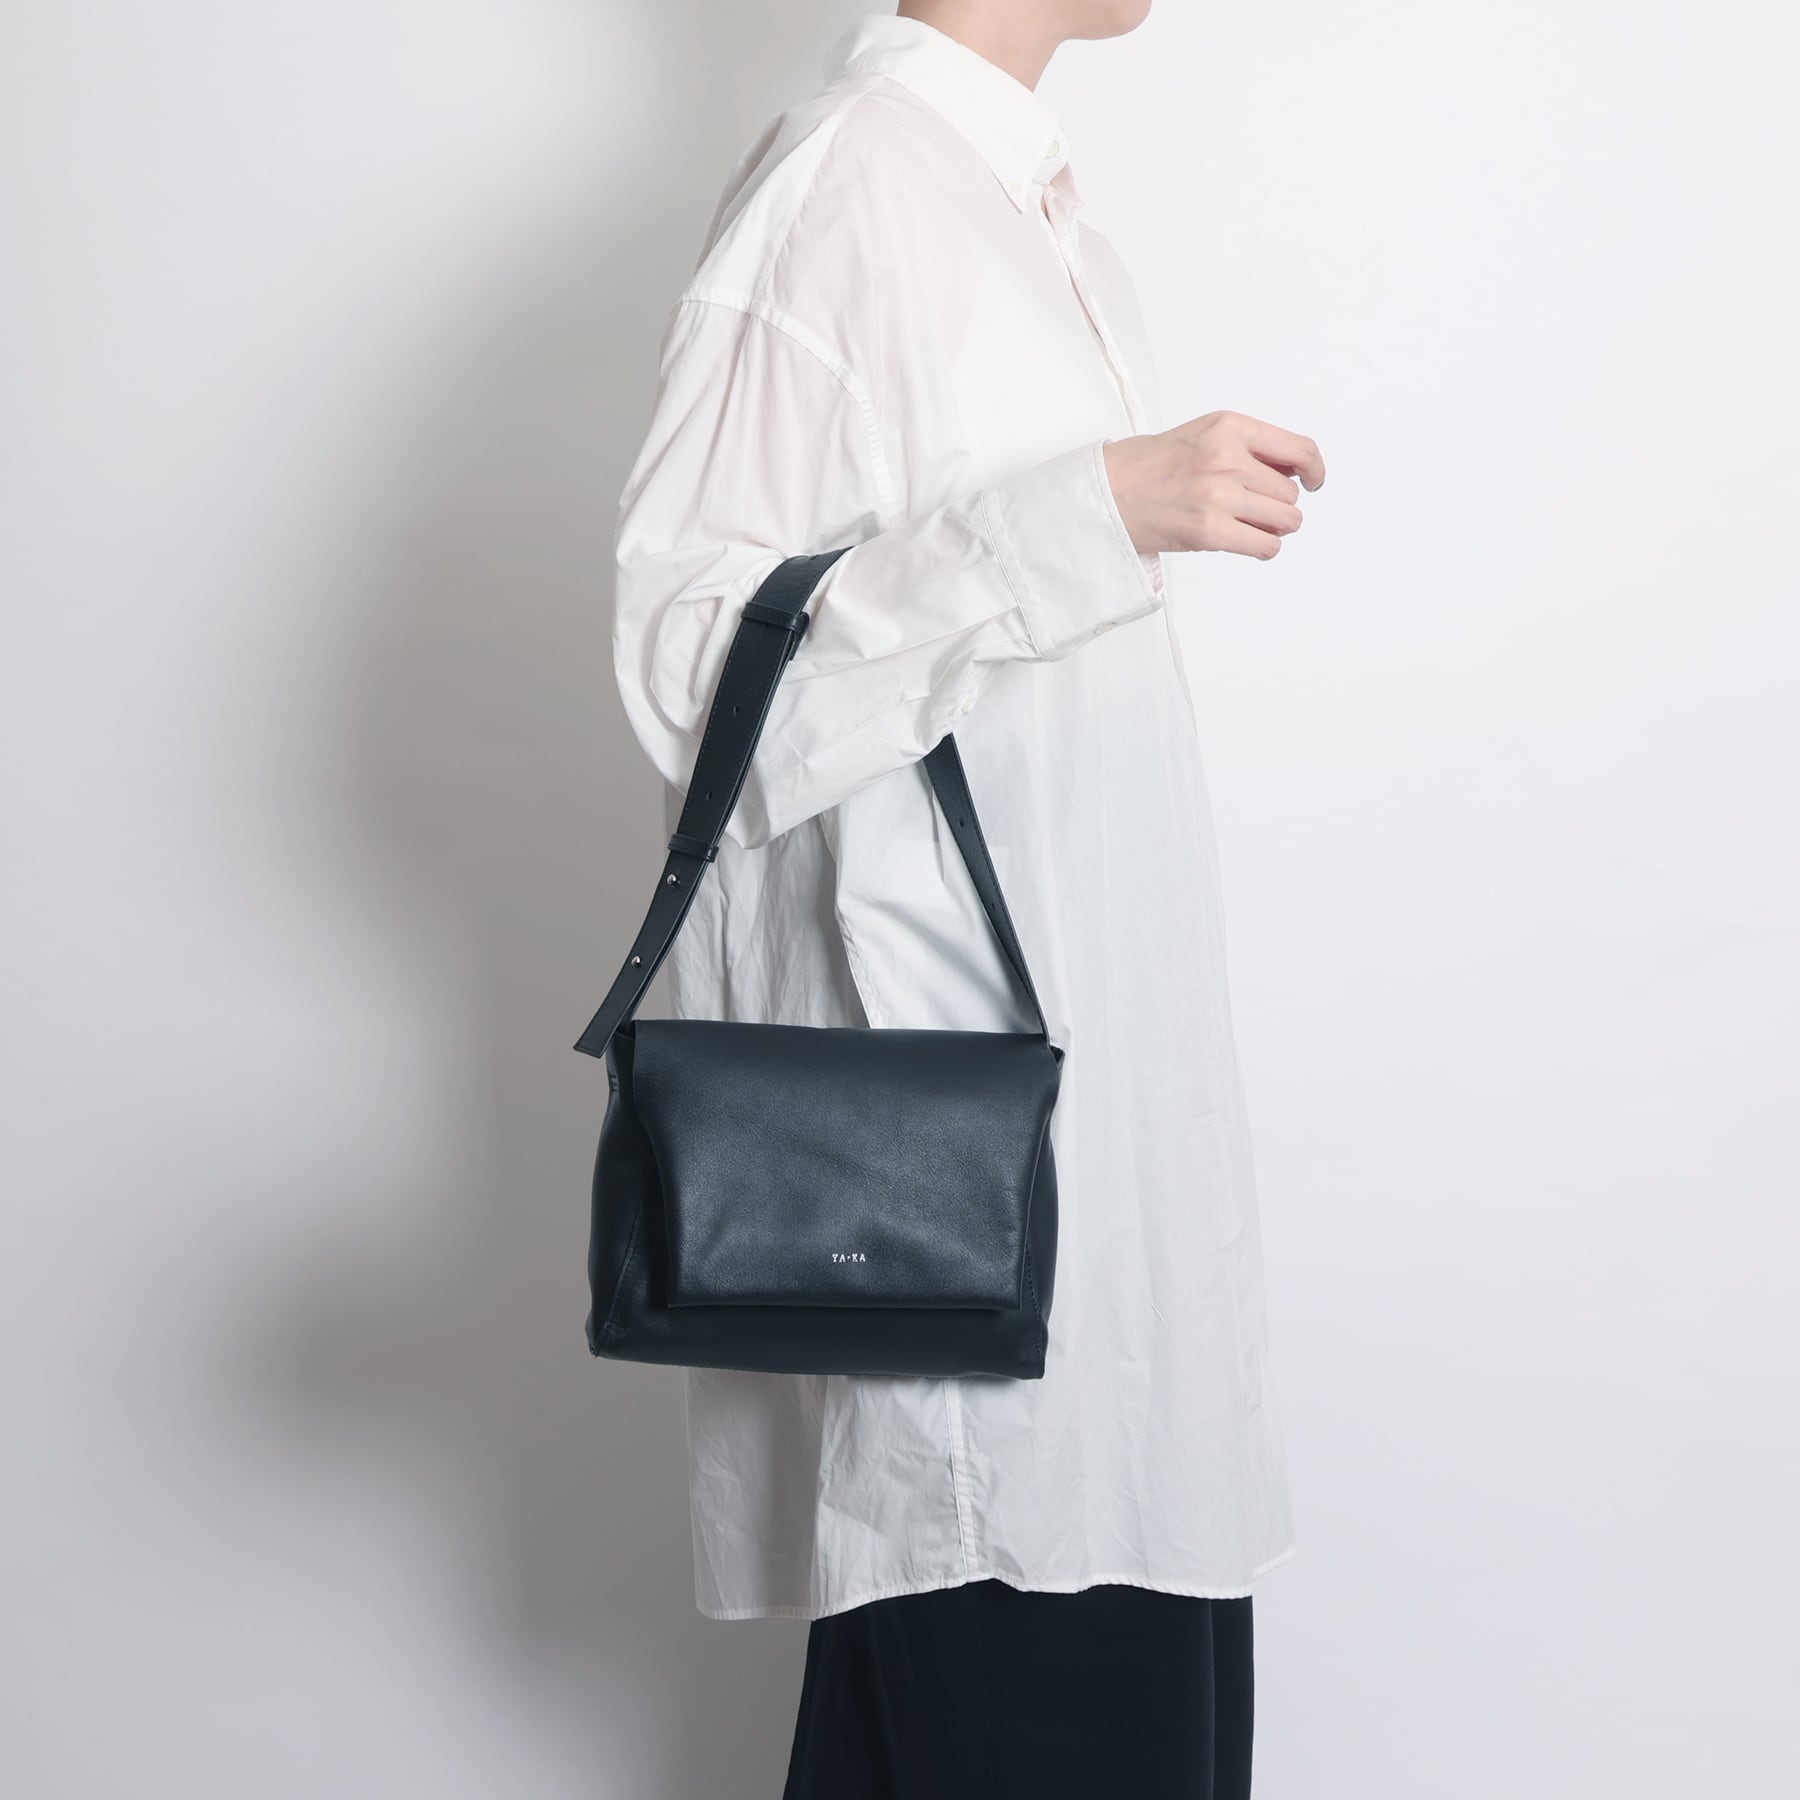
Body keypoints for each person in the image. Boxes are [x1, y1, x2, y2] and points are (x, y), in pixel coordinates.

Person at [609, 2, 1325, 1792]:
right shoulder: (848, 188)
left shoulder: (1033, 216)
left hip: (1100, 1214)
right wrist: (1085, 510)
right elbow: (692, 665)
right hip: (953, 1221)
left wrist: (1085, 518)